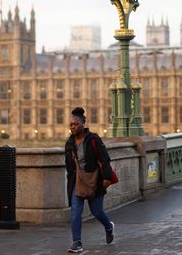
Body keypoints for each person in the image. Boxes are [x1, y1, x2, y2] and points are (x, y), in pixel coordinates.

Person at [64, 107, 115, 253]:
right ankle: (77, 242)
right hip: (78, 181)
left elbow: (104, 159)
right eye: (70, 125)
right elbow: (69, 166)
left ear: (83, 125)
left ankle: (109, 227)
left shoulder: (93, 139)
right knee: (75, 211)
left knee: (97, 211)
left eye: (75, 124)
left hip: (95, 180)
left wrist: (106, 177)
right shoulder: (69, 144)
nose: (72, 127)